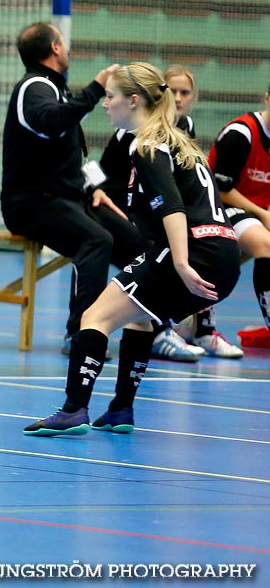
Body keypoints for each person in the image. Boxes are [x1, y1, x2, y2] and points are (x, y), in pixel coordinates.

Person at [24, 63, 241, 436]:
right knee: (140, 317)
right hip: (225, 255)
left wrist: (182, 263)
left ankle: (74, 408)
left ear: (134, 100)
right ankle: (121, 408)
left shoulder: (147, 145)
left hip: (195, 249)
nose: (105, 105)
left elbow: (171, 207)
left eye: (111, 97)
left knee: (95, 318)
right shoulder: (176, 139)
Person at [0, 22, 140, 353]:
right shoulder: (32, 87)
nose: (67, 47)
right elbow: (50, 122)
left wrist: (95, 187)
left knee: (134, 242)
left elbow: (72, 155)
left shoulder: (55, 89)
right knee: (95, 240)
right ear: (54, 49)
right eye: (62, 41)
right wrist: (96, 88)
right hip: (31, 203)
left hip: (67, 198)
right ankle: (82, 333)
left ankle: (152, 326)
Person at [98, 64, 236, 360]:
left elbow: (172, 203)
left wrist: (181, 260)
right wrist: (93, 189)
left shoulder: (176, 132)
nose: (177, 97)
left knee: (178, 255)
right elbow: (103, 172)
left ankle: (193, 330)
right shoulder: (130, 133)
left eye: (184, 92)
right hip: (126, 208)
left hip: (166, 219)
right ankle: (159, 327)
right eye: (171, 90)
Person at [208, 82, 270, 341]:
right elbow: (221, 190)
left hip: (257, 211)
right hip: (222, 209)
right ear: (267, 99)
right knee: (266, 245)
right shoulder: (241, 133)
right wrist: (264, 214)